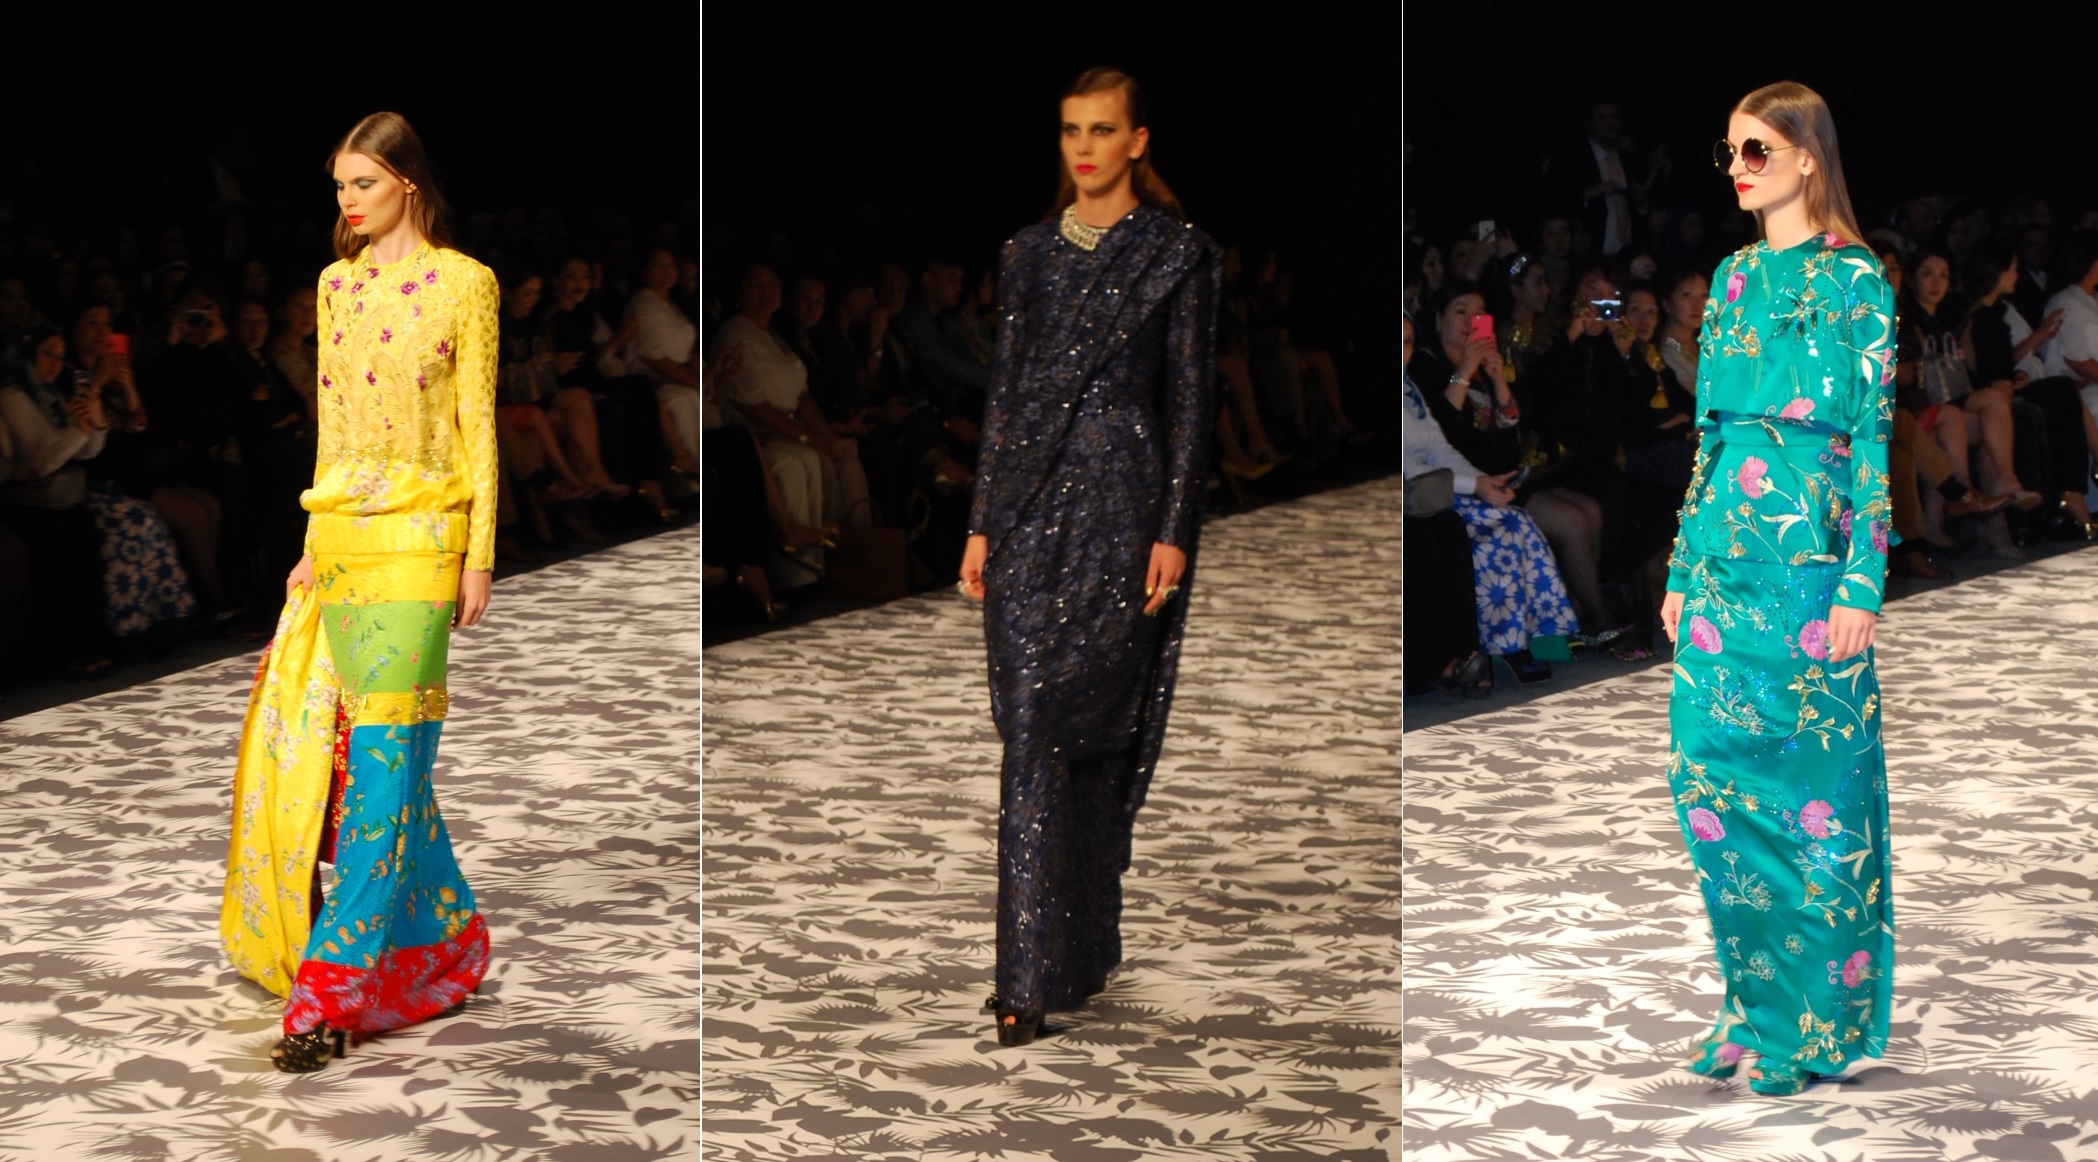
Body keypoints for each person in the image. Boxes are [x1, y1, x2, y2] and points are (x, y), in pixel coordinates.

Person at [224, 111, 493, 1074]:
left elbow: (476, 424)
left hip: (422, 543)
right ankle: (442, 942)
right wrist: (311, 543)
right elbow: (332, 425)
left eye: (364, 182)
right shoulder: (336, 286)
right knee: (370, 767)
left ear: (407, 183)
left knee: (385, 766)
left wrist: (477, 553)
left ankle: (327, 996)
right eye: (339, 185)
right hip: (342, 541)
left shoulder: (466, 283)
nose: (347, 201)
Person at [956, 66, 1219, 1047]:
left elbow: (1189, 403)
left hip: (1121, 504)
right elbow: (1006, 393)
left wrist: (1174, 529)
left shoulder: (1179, 255)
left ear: (1137, 141)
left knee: (1096, 734)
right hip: (1028, 511)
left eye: (1102, 130)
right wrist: (982, 520)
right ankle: (1026, 972)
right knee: (1027, 726)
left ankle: (1069, 951)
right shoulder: (1026, 254)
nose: (1084, 148)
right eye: (1071, 130)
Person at [1662, 81, 1894, 1096]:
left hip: (1811, 571)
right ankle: (1754, 1006)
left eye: (1757, 150)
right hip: (1723, 563)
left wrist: (1863, 579)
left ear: (1807, 156)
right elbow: (1709, 440)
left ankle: (1818, 1024)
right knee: (1710, 788)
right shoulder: (1731, 277)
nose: (1739, 169)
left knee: (1813, 803)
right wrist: (1682, 566)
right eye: (1730, 152)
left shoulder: (1856, 280)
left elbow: (1873, 439)